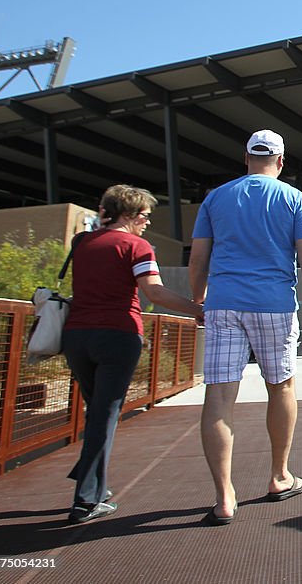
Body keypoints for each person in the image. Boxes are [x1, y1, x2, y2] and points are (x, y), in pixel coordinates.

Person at [188, 129, 302, 526]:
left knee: (218, 396)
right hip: (274, 305)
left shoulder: (216, 197)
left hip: (224, 304)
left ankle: (224, 497)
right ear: (280, 162)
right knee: (281, 386)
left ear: (245, 157)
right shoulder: (294, 198)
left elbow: (199, 256)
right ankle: (280, 476)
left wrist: (199, 299)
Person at [62, 185, 203, 524]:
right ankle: (86, 499)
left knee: (96, 411)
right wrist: (198, 309)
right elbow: (153, 290)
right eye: (143, 216)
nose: (145, 223)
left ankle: (91, 479)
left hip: (76, 337)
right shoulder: (136, 246)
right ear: (128, 214)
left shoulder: (81, 243)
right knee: (106, 413)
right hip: (118, 336)